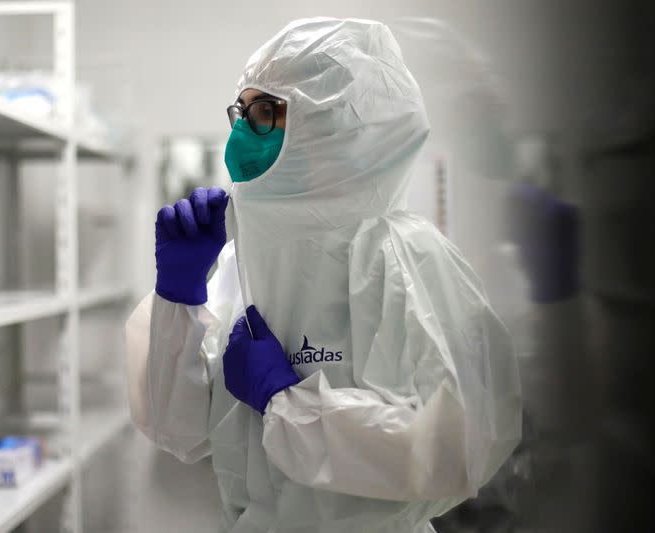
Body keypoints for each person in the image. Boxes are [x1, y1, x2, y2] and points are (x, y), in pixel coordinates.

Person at [125, 17, 522, 533]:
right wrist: (178, 298)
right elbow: (177, 432)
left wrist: (285, 403)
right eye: (241, 112)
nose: (243, 132)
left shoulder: (407, 257)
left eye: (267, 112)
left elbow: (455, 448)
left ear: (336, 123)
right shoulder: (237, 264)